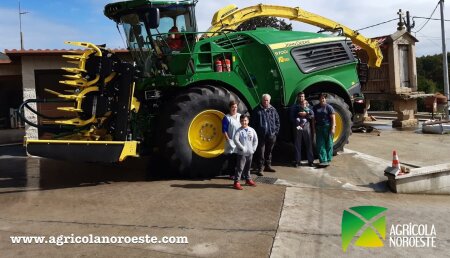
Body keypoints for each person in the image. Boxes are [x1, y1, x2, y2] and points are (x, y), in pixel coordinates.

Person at [251, 93, 280, 176]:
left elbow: (277, 121)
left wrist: (275, 133)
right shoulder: (257, 110)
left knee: (269, 151)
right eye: (264, 100)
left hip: (271, 135)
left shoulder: (273, 110)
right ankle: (260, 168)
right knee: (261, 152)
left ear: (269, 101)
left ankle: (268, 166)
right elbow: (253, 123)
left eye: (267, 100)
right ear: (262, 100)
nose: (266, 102)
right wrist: (255, 134)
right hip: (260, 136)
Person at [233, 115, 258, 190]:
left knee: (248, 167)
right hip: (242, 153)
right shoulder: (239, 131)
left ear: (248, 121)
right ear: (240, 122)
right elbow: (235, 140)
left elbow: (255, 140)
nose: (244, 122)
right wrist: (242, 147)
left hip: (250, 153)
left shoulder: (252, 130)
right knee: (240, 168)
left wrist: (254, 148)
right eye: (242, 121)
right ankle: (236, 182)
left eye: (245, 120)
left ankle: (248, 179)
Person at [290, 92, 315, 167]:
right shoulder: (294, 107)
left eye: (303, 96)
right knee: (297, 144)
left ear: (304, 97)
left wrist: (306, 114)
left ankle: (310, 161)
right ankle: (297, 161)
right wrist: (298, 120)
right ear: (298, 97)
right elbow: (291, 118)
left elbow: (312, 115)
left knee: (309, 144)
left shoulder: (308, 105)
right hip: (297, 127)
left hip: (306, 127)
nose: (301, 98)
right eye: (300, 96)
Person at [313, 93, 336, 167]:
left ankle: (328, 159)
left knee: (329, 143)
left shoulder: (329, 107)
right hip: (319, 127)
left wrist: (333, 128)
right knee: (320, 144)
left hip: (327, 127)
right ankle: (323, 160)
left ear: (325, 99)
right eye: (321, 98)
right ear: (319, 99)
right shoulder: (315, 107)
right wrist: (313, 128)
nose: (322, 99)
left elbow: (333, 118)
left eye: (324, 98)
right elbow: (313, 119)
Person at [222, 101, 241, 178]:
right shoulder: (226, 118)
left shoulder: (240, 116)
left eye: (235, 107)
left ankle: (239, 173)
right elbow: (224, 130)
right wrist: (228, 140)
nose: (234, 108)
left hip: (240, 141)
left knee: (240, 158)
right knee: (232, 159)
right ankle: (232, 174)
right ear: (230, 108)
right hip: (231, 141)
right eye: (233, 107)